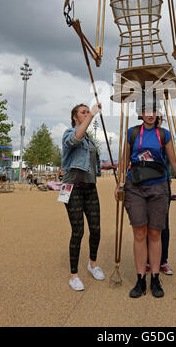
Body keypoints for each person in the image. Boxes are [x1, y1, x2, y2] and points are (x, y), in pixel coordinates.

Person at [115, 97, 176, 298]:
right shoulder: (132, 133)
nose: (150, 114)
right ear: (141, 112)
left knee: (155, 234)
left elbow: (173, 161)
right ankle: (140, 279)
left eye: (153, 110)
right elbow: (124, 160)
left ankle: (155, 277)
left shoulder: (164, 134)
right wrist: (119, 183)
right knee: (139, 234)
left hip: (159, 187)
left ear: (157, 112)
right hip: (134, 187)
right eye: (146, 110)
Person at [61, 103, 105, 291]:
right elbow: (75, 139)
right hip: (72, 188)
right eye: (83, 112)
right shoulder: (69, 133)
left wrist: (104, 168)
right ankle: (74, 275)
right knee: (78, 231)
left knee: (96, 229)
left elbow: (92, 162)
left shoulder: (90, 139)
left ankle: (92, 264)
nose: (87, 114)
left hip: (90, 187)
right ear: (75, 117)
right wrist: (92, 115)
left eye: (88, 111)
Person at [146, 114, 173, 276]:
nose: (158, 121)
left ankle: (163, 260)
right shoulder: (145, 137)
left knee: (163, 224)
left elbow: (171, 160)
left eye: (160, 119)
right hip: (145, 183)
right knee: (147, 224)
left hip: (163, 183)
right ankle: (149, 259)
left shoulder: (165, 136)